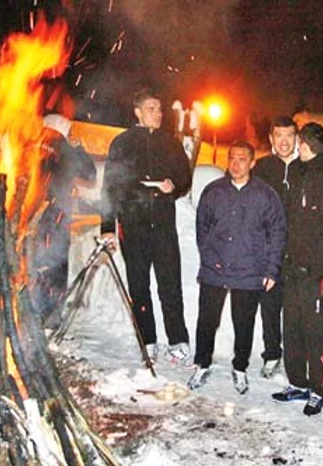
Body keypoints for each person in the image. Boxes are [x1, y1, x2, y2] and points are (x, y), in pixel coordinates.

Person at [100, 88, 192, 366]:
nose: (158, 114)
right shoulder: (122, 143)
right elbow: (110, 187)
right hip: (133, 221)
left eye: (160, 109)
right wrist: (107, 227)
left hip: (163, 222)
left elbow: (184, 177)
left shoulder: (171, 143)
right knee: (139, 286)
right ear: (138, 112)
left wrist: (172, 186)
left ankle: (178, 340)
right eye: (152, 109)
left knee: (170, 283)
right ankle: (147, 341)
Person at [188, 140, 286, 394]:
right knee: (207, 320)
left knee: (244, 323)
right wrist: (210, 256)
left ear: (252, 163)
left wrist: (271, 269)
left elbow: (277, 233)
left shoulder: (265, 195)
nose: (235, 163)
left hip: (249, 271)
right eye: (232, 158)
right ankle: (202, 363)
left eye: (242, 159)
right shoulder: (214, 191)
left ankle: (240, 368)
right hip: (215, 269)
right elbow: (202, 228)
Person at [271, 122, 323, 415]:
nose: (296, 147)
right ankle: (297, 382)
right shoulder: (297, 173)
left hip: (316, 270)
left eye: (299, 143)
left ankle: (320, 388)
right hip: (292, 265)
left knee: (315, 330)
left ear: (309, 145)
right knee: (293, 328)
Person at [30, 114, 96, 328]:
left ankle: (34, 310)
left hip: (33, 213)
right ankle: (51, 313)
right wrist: (78, 148)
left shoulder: (33, 146)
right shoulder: (65, 147)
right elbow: (90, 174)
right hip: (57, 214)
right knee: (56, 264)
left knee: (36, 260)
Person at [252, 115, 298, 378]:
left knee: (294, 310)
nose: (284, 141)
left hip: (298, 251)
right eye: (279, 136)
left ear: (296, 138)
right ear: (271, 139)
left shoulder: (305, 167)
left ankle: (294, 357)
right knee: (269, 306)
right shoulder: (262, 168)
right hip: (268, 252)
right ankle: (272, 354)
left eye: (289, 136)